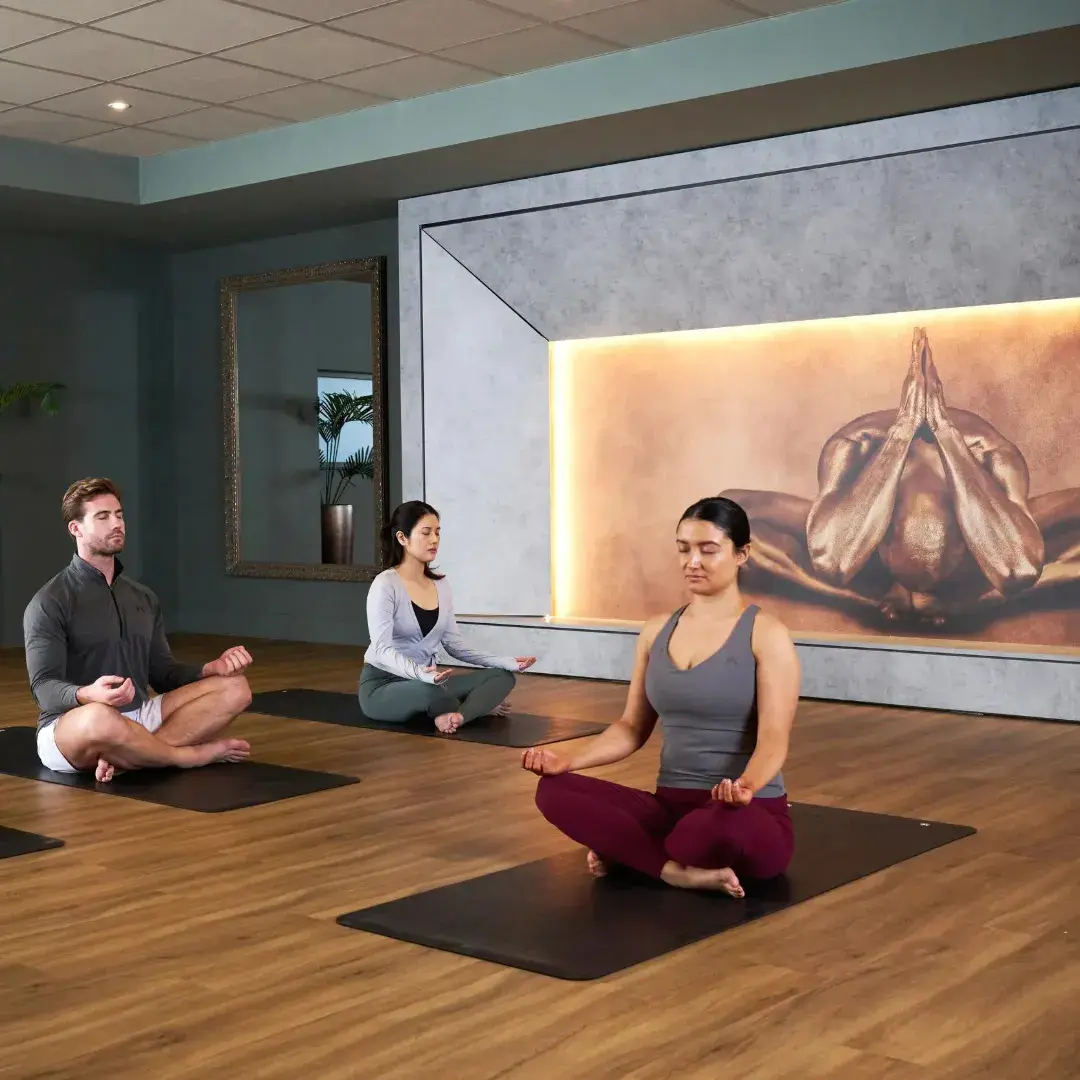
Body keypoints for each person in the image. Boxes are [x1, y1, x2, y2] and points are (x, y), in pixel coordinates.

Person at [522, 496, 800, 898]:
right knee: (554, 791)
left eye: (708, 550)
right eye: (684, 549)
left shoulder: (767, 635)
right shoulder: (656, 631)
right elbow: (631, 728)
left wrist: (745, 786)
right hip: (669, 808)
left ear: (742, 554)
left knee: (704, 831)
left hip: (742, 812)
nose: (693, 561)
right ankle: (673, 870)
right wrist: (566, 759)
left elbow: (774, 740)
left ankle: (640, 855)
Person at [724, 326, 1080, 626]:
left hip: (975, 569)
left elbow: (1016, 570)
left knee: (1029, 548)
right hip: (868, 562)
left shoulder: (992, 453)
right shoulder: (853, 446)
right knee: (732, 509)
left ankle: (968, 593)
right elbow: (835, 563)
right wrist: (902, 431)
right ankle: (878, 586)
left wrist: (945, 432)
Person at [24, 478, 254, 782]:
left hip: (139, 717)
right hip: (73, 725)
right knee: (100, 716)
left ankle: (133, 758)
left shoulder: (143, 597)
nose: (116, 523)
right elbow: (43, 688)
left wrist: (210, 668)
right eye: (102, 517)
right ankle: (186, 756)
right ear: (75, 529)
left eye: (119, 515)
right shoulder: (49, 601)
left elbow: (161, 673)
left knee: (235, 687)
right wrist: (86, 694)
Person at [361, 500, 537, 733]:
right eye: (426, 533)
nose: (434, 540)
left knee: (502, 678)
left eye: (437, 533)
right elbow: (382, 649)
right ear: (403, 538)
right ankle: (474, 708)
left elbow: (456, 646)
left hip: (431, 680)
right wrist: (420, 674)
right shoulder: (385, 584)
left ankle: (458, 716)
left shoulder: (441, 585)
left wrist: (506, 662)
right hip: (385, 684)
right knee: (432, 693)